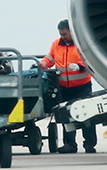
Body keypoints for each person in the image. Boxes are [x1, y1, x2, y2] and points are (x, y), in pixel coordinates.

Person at [39, 19, 97, 153]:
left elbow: (90, 62)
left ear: (72, 32)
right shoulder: (56, 44)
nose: (62, 37)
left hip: (82, 87)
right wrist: (42, 65)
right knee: (67, 117)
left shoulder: (81, 44)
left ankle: (89, 144)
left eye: (65, 34)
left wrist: (80, 66)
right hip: (64, 88)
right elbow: (50, 59)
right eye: (61, 34)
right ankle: (70, 145)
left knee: (87, 116)